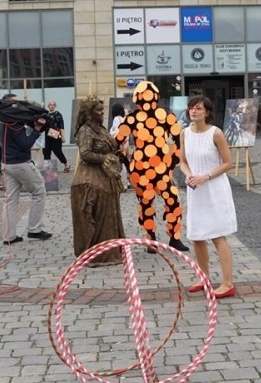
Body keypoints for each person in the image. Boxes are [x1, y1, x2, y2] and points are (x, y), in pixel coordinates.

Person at [114, 81, 188, 252]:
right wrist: (126, 160)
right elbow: (117, 142)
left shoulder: (166, 116)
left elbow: (178, 139)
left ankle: (174, 239)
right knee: (146, 203)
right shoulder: (131, 118)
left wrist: (173, 159)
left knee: (173, 201)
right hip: (141, 170)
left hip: (161, 169)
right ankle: (151, 240)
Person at [179, 96, 237, 299]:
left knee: (217, 235)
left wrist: (206, 176)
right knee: (197, 236)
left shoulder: (216, 133)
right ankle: (203, 278)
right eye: (191, 108)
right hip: (196, 190)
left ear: (207, 112)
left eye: (198, 108)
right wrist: (189, 175)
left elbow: (227, 162)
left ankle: (227, 283)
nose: (193, 111)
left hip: (214, 188)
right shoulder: (184, 133)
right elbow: (182, 161)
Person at [71, 97, 125, 266]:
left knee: (109, 215)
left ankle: (110, 250)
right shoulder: (85, 130)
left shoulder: (100, 129)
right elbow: (85, 153)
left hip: (105, 177)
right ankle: (96, 254)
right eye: (98, 110)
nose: (102, 113)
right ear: (89, 113)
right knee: (96, 216)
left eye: (103, 109)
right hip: (90, 178)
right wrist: (105, 158)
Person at [0, 94, 52, 245]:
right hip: (20, 164)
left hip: (7, 164)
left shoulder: (4, 121)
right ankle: (34, 230)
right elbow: (25, 144)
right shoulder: (15, 124)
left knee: (10, 200)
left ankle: (8, 236)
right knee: (39, 191)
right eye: (16, 103)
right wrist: (36, 129)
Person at [43, 100, 70, 173]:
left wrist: (63, 136)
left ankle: (66, 164)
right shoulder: (45, 114)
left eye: (53, 105)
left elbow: (61, 126)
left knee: (57, 151)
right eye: (50, 105)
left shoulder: (58, 114)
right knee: (46, 151)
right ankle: (48, 169)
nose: (52, 106)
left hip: (55, 133)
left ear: (55, 106)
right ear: (48, 106)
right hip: (46, 134)